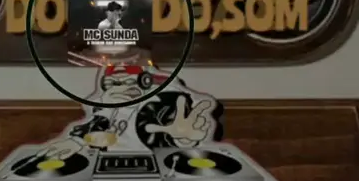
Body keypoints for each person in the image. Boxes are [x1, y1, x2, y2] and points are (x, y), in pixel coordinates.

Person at [35, 64, 224, 159]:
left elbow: (178, 128)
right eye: (112, 84)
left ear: (145, 83)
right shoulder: (108, 107)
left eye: (127, 82)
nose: (119, 88)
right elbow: (95, 124)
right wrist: (77, 141)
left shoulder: (165, 103)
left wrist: (184, 139)